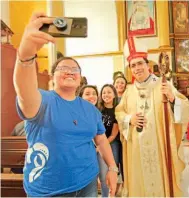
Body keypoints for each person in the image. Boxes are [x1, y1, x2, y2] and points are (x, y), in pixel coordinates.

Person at [13, 12, 117, 197]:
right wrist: (26, 55)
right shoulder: (43, 100)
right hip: (48, 189)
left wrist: (112, 168)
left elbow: (100, 139)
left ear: (80, 79)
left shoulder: (89, 108)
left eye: (74, 70)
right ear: (52, 77)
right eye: (63, 69)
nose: (69, 72)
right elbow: (24, 91)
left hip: (88, 182)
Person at [115, 37, 189, 197]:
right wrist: (129, 119)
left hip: (160, 148)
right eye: (133, 65)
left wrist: (172, 99)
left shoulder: (163, 85)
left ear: (147, 64)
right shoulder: (128, 92)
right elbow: (119, 113)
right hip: (136, 149)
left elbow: (185, 109)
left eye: (140, 63)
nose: (137, 68)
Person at [97, 84, 121, 197]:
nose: (106, 95)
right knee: (102, 172)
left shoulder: (118, 110)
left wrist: (102, 144)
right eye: (104, 93)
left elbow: (114, 134)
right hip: (98, 143)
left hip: (112, 142)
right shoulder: (98, 109)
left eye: (109, 92)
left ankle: (112, 195)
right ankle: (104, 195)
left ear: (114, 94)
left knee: (112, 170)